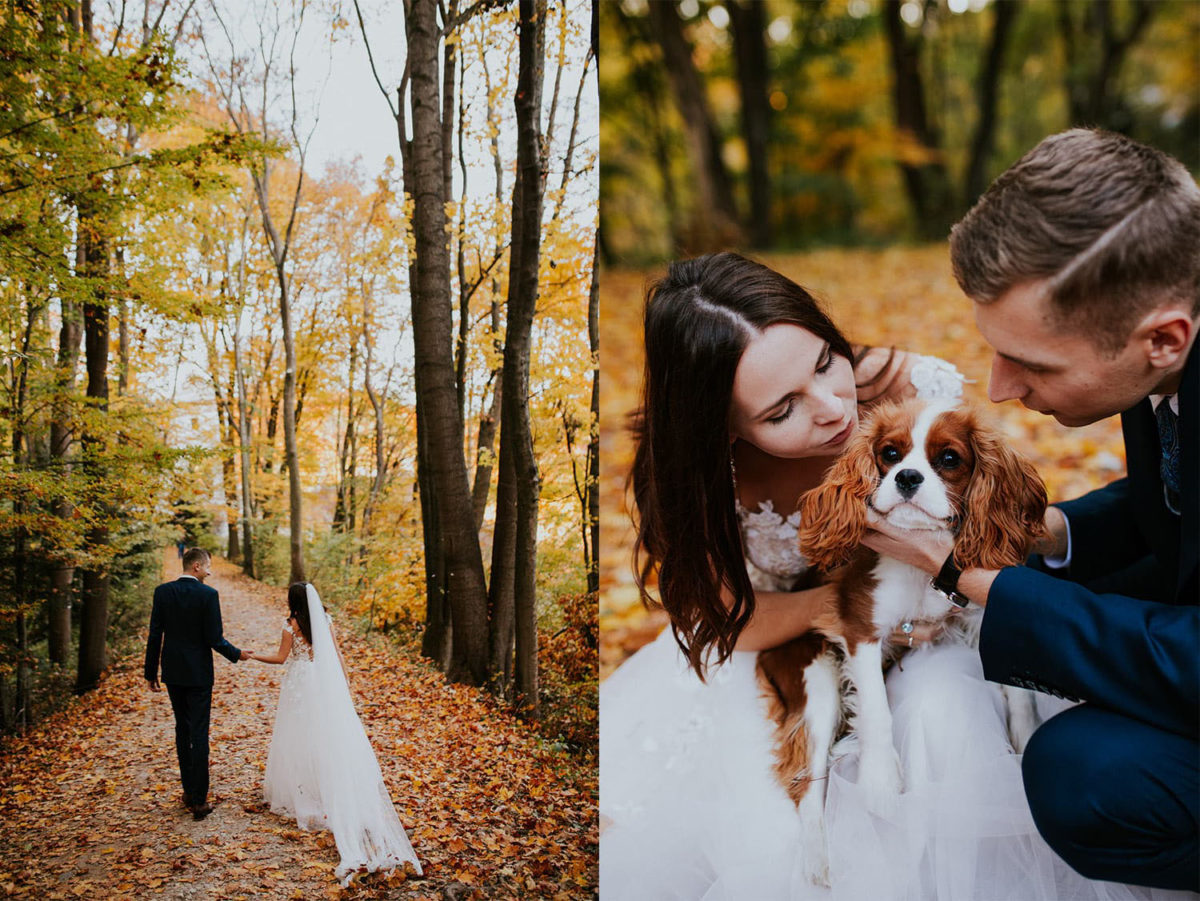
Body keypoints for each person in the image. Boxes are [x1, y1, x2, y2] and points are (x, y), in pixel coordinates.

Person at [600, 252, 1176, 900]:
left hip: (940, 628)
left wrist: (938, 591)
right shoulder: (700, 480)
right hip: (788, 643)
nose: (829, 407)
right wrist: (869, 607)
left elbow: (975, 514)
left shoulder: (908, 389)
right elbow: (732, 620)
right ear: (724, 431)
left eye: (824, 361)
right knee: (766, 845)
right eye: (781, 409)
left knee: (945, 714)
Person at [866, 128, 1198, 892]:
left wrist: (970, 576)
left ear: (1162, 337)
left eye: (1033, 363)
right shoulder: (1164, 362)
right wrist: (1050, 533)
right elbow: (1182, 507)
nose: (999, 387)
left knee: (1083, 776)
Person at [249, 582, 422, 885]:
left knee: (299, 739)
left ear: (293, 601)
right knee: (328, 736)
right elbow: (338, 655)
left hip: (301, 684)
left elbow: (280, 659)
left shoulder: (291, 625)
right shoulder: (325, 620)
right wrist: (345, 686)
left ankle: (306, 794)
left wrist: (250, 655)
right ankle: (327, 788)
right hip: (324, 683)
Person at [145, 547, 252, 821]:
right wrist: (237, 654)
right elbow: (214, 638)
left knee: (182, 729)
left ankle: (188, 791)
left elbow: (155, 633)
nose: (210, 572)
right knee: (199, 732)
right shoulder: (208, 595)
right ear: (196, 566)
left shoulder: (162, 592)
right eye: (208, 567)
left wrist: (150, 672)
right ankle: (199, 801)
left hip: (173, 672)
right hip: (199, 675)